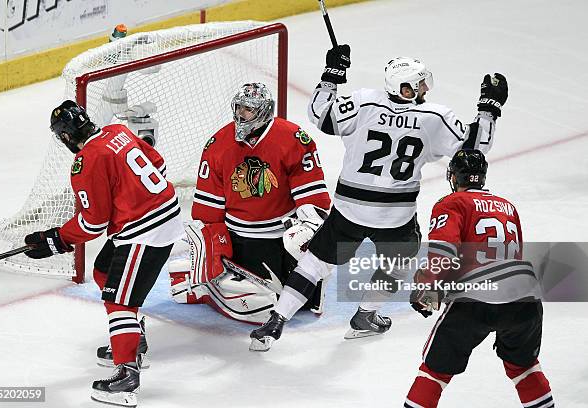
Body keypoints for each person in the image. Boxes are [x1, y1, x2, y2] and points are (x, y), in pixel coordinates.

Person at [249, 46, 509, 350]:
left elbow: (319, 115)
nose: (425, 88)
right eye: (420, 83)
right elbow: (477, 145)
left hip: (350, 208)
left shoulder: (363, 101)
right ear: (406, 87)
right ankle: (366, 315)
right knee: (398, 263)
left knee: (316, 262)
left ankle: (277, 319)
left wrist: (332, 74)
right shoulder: (435, 116)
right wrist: (489, 108)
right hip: (396, 215)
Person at [23, 100, 182, 407]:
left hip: (146, 229)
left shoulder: (87, 160)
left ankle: (125, 375)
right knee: (103, 271)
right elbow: (158, 164)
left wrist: (55, 239)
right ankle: (133, 337)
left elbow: (94, 222)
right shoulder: (117, 131)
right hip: (160, 214)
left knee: (118, 300)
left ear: (66, 136)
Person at [167, 82, 331, 324]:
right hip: (241, 239)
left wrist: (308, 227)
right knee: (262, 305)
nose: (241, 114)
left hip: (283, 235)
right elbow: (207, 209)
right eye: (239, 107)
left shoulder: (293, 138)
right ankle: (207, 284)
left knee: (305, 300)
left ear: (264, 110)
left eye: (249, 109)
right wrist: (214, 248)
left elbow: (312, 195)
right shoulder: (218, 144)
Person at [404, 149, 553, 408]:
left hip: (477, 298)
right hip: (525, 296)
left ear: (454, 177)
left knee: (435, 371)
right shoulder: (508, 206)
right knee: (524, 367)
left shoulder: (451, 203)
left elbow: (445, 254)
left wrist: (426, 292)